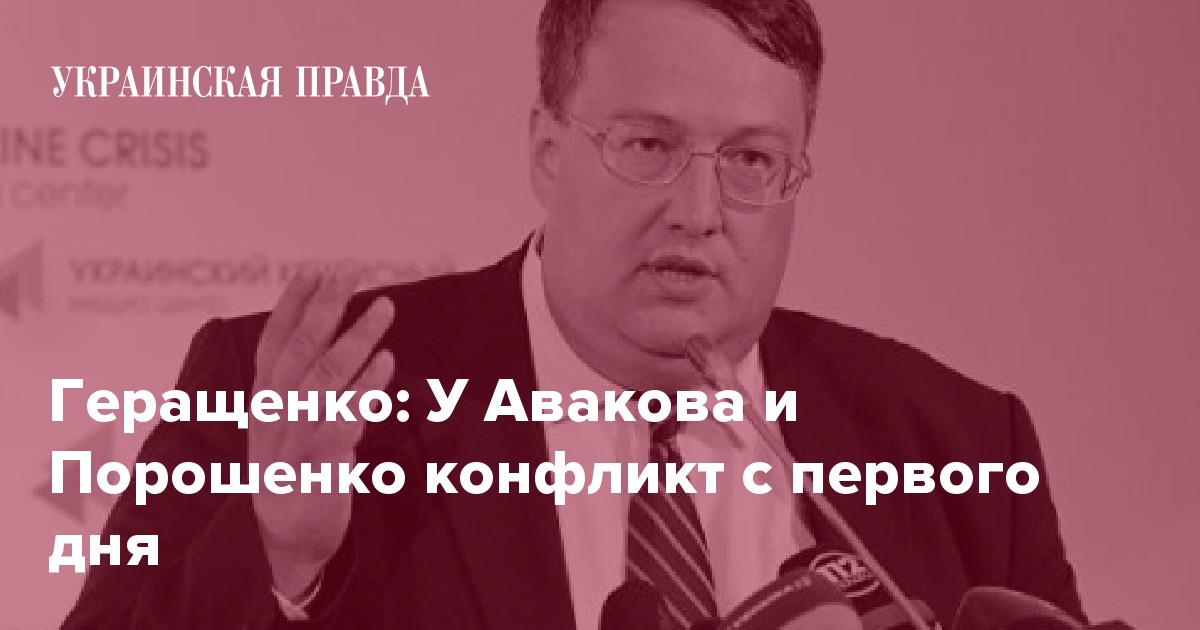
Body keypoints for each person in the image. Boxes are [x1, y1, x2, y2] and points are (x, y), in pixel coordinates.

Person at [63, 0, 1086, 628]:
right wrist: (280, 556)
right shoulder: (302, 395)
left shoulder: (961, 445)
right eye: (648, 146)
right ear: (546, 151)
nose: (700, 211)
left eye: (752, 159)